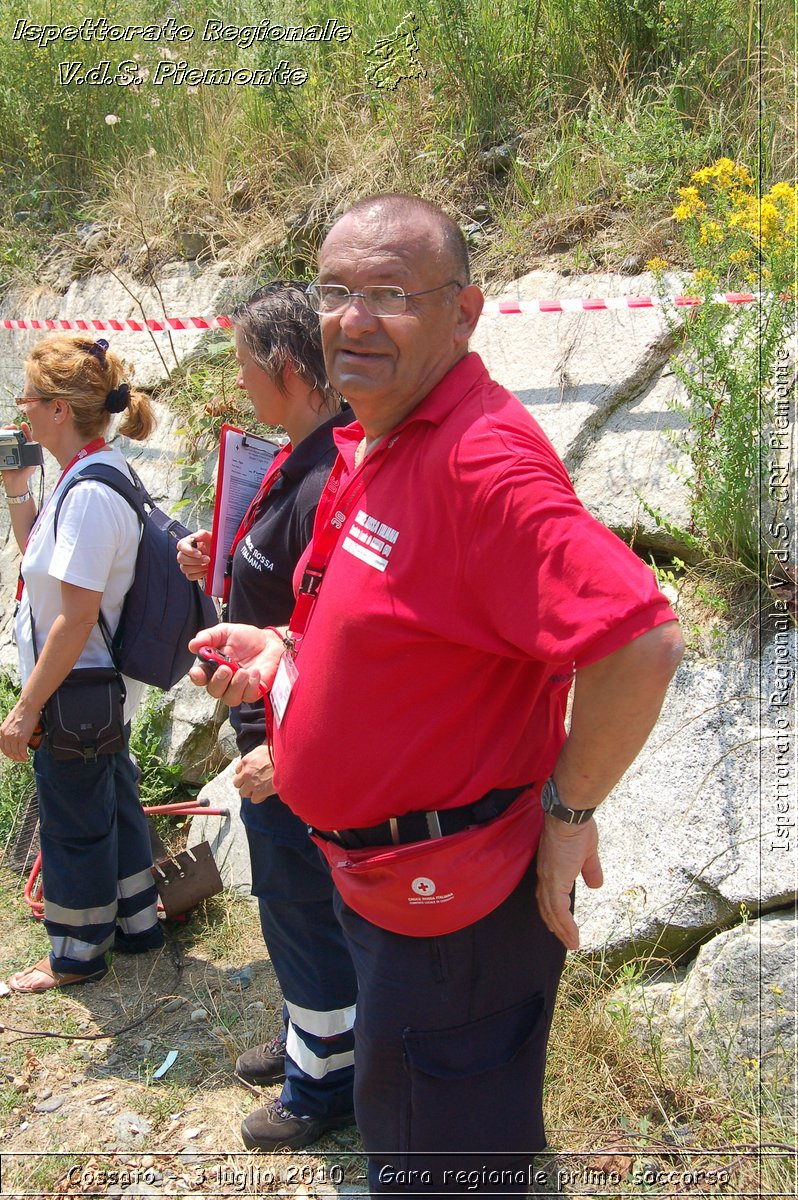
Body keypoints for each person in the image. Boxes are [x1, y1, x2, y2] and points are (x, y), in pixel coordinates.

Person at [190, 195, 686, 1194]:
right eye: (336, 291)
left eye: (389, 294)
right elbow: (373, 612)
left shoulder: (480, 466)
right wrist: (285, 650)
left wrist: (568, 814)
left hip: (452, 909)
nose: (352, 319)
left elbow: (642, 643)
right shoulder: (381, 435)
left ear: (464, 314)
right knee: (431, 1136)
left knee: (442, 1167)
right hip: (388, 897)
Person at [176, 283, 357, 1151]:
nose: (241, 385)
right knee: (288, 915)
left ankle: (324, 1088)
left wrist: (285, 756)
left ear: (286, 369)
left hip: (294, 752)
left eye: (247, 368)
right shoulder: (298, 454)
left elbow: (339, 636)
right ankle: (304, 1040)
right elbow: (278, 577)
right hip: (267, 734)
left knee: (304, 914)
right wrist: (217, 558)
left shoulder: (334, 471)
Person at [0, 333, 164, 991]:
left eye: (29, 399)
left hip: (75, 690)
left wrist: (26, 707)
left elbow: (72, 617)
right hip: (95, 689)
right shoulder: (85, 477)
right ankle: (137, 924)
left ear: (60, 410)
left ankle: (75, 952)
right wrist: (19, 491)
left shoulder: (92, 492)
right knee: (114, 802)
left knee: (73, 823)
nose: (21, 410)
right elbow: (44, 564)